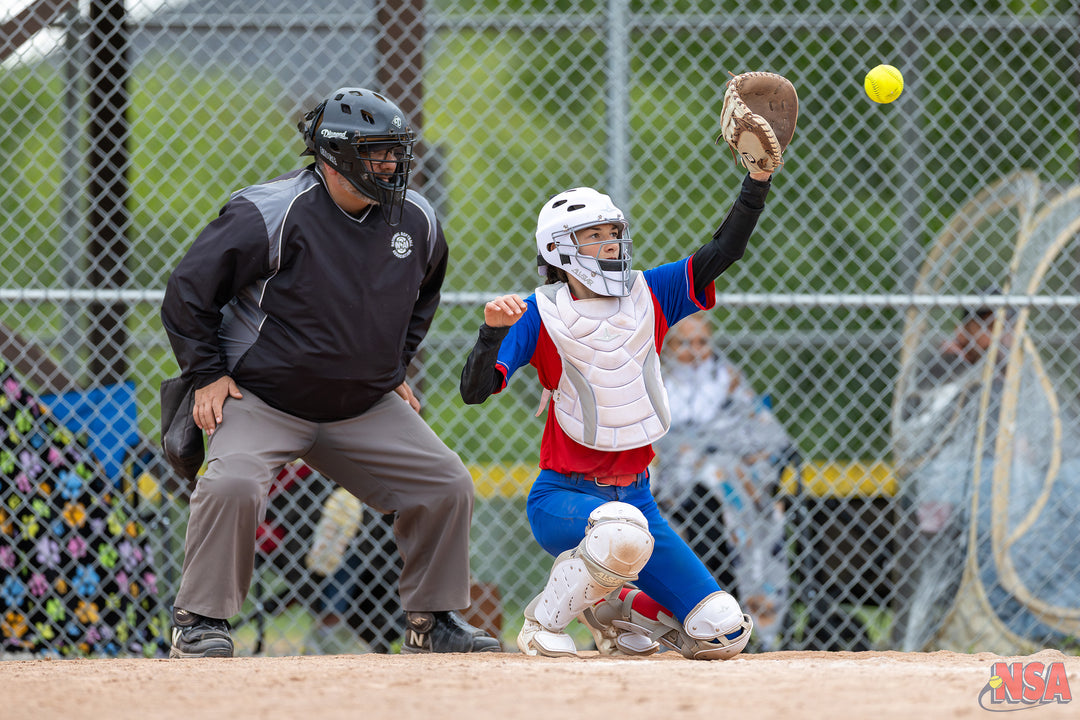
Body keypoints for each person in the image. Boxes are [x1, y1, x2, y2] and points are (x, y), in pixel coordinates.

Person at [160, 87, 500, 657]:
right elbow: (187, 293)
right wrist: (206, 373)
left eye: (395, 152)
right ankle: (199, 622)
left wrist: (391, 365)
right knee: (232, 483)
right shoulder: (268, 212)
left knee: (445, 485)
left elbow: (422, 297)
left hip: (362, 405)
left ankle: (432, 623)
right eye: (377, 153)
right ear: (333, 155)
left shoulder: (416, 219)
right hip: (263, 397)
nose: (392, 165)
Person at [459, 164, 776, 660]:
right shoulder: (539, 311)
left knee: (722, 631)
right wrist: (491, 333)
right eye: (594, 236)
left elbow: (722, 253)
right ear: (559, 249)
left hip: (638, 503)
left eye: (614, 233)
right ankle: (543, 622)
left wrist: (756, 182)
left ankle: (616, 606)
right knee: (619, 531)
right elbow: (475, 390)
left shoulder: (649, 294)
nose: (610, 244)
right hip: (564, 499)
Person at [651, 313, 795, 651]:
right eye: (684, 343)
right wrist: (696, 449)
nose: (695, 351)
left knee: (731, 478)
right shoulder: (656, 383)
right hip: (675, 484)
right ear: (669, 347)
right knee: (711, 470)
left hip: (728, 487)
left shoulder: (726, 380)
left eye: (702, 342)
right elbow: (654, 441)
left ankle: (760, 624)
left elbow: (761, 432)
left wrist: (708, 446)